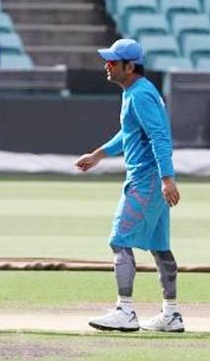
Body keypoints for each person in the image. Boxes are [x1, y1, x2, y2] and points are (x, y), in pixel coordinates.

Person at [75, 39, 184, 333]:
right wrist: (98, 155)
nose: (106, 66)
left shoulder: (140, 95)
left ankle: (125, 310)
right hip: (152, 179)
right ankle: (171, 315)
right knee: (160, 247)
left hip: (146, 180)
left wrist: (167, 179)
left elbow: (160, 137)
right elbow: (130, 133)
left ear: (130, 66)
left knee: (119, 239)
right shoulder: (138, 92)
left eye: (113, 61)